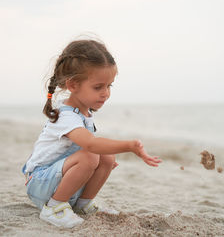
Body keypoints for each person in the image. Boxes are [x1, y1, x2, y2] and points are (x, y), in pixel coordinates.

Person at [22, 39, 162, 229]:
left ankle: (82, 204)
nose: (105, 93)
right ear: (73, 85)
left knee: (106, 157)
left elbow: (92, 148)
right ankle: (54, 208)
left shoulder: (84, 113)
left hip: (57, 182)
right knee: (91, 155)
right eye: (98, 87)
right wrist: (129, 146)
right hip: (39, 183)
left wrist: (105, 162)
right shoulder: (66, 115)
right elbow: (89, 145)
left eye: (109, 86)